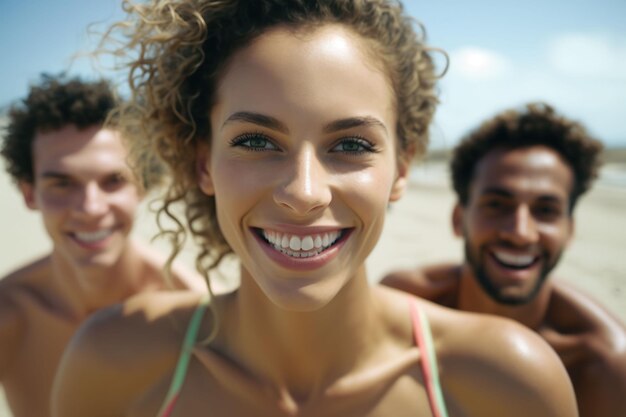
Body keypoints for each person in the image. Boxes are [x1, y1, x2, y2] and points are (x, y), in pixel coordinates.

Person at [52, 2, 577, 417]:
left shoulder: (511, 383)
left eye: (350, 145)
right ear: (203, 163)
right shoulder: (111, 362)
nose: (304, 192)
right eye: (256, 142)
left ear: (401, 168)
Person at [382, 103, 626, 417]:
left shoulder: (602, 364)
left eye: (546, 210)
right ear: (459, 218)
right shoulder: (408, 302)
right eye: (497, 205)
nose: (521, 233)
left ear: (570, 230)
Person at [0, 75, 204, 417]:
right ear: (29, 193)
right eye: (62, 183)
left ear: (142, 185)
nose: (91, 208)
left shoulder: (190, 310)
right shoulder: (10, 312)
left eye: (114, 181)